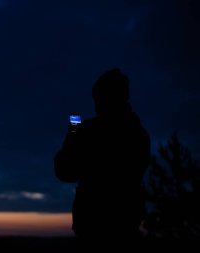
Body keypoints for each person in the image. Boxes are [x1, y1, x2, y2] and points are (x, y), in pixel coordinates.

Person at [54, 68, 150, 246]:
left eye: (98, 98)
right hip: (126, 226)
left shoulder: (91, 132)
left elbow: (64, 171)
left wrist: (72, 137)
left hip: (96, 229)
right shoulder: (138, 132)